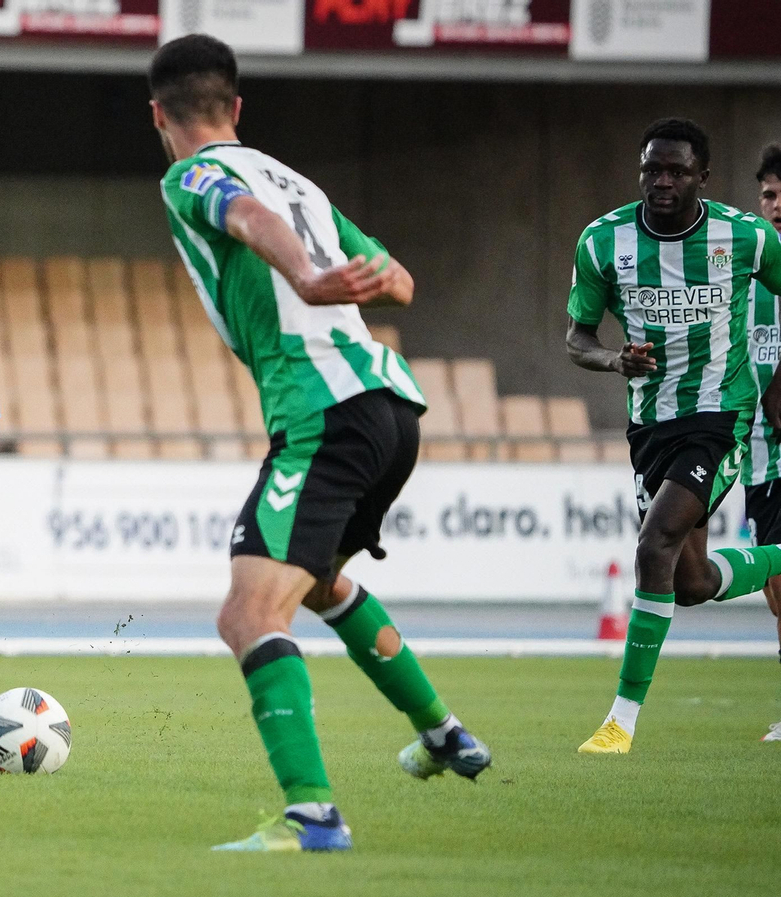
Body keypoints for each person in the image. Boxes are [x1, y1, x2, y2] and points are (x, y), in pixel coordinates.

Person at [148, 34, 490, 853]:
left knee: (248, 613)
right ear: (237, 106)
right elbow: (398, 280)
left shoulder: (191, 175)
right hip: (390, 407)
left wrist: (302, 277)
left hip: (323, 411)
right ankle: (445, 734)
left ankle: (312, 815)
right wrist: (327, 275)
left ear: (158, 115)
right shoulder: (298, 180)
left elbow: (248, 218)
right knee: (321, 580)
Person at [567, 120, 781, 754]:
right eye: (652, 169)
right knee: (689, 583)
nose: (662, 181)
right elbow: (577, 337)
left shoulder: (746, 237)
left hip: (720, 417)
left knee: (653, 544)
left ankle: (620, 722)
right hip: (650, 424)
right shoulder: (602, 242)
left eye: (677, 171)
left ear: (702, 178)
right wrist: (615, 360)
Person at [743, 142, 781, 742]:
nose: (776, 205)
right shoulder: (746, 274)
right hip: (759, 452)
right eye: (769, 195)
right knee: (777, 590)